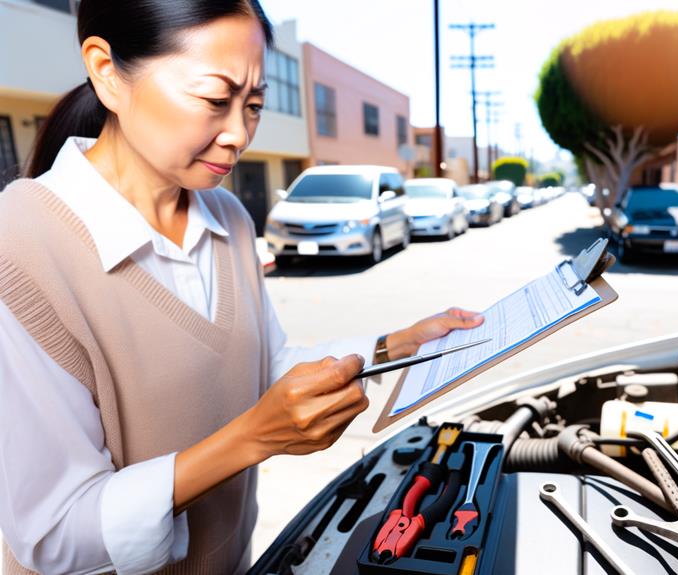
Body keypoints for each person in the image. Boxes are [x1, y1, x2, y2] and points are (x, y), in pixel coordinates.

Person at [0, 2, 483, 573]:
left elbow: (265, 364)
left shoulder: (227, 215)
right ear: (106, 70)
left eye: (253, 105)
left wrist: (398, 345)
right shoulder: (22, 245)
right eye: (213, 99)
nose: (238, 134)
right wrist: (253, 439)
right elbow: (55, 534)